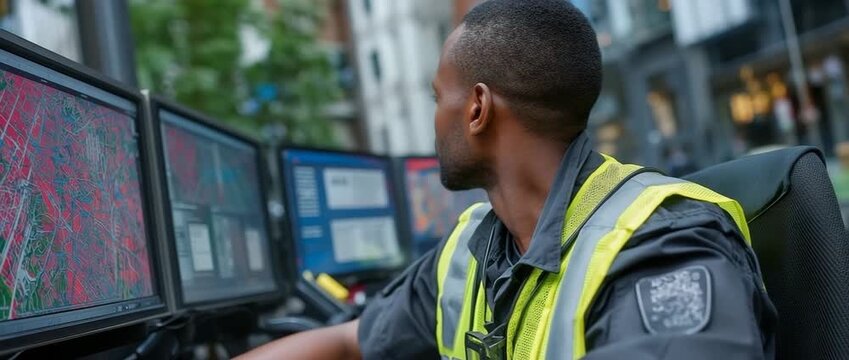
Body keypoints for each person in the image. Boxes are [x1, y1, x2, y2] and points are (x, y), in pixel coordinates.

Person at [238, 1, 776, 359]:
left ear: (476, 109)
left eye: (436, 98)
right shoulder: (476, 249)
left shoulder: (665, 250)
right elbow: (351, 343)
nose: (434, 117)